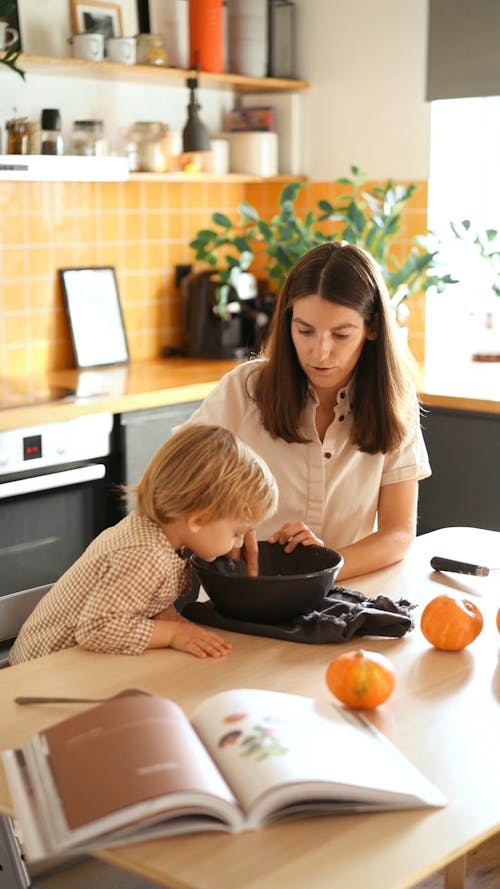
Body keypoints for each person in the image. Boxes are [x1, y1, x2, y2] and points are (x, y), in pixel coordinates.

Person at [183, 242, 431, 581]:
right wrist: (221, 531)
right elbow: (172, 492)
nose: (320, 352)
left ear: (372, 328)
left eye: (341, 334)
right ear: (288, 323)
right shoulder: (245, 389)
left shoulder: (394, 400)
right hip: (243, 594)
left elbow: (398, 533)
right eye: (305, 331)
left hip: (344, 597)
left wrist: (324, 566)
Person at [9, 424, 278, 665]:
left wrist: (166, 615)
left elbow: (137, 595)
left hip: (69, 664)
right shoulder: (146, 556)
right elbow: (97, 629)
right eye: (237, 532)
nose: (240, 543)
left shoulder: (153, 530)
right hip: (42, 669)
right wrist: (172, 633)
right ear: (198, 520)